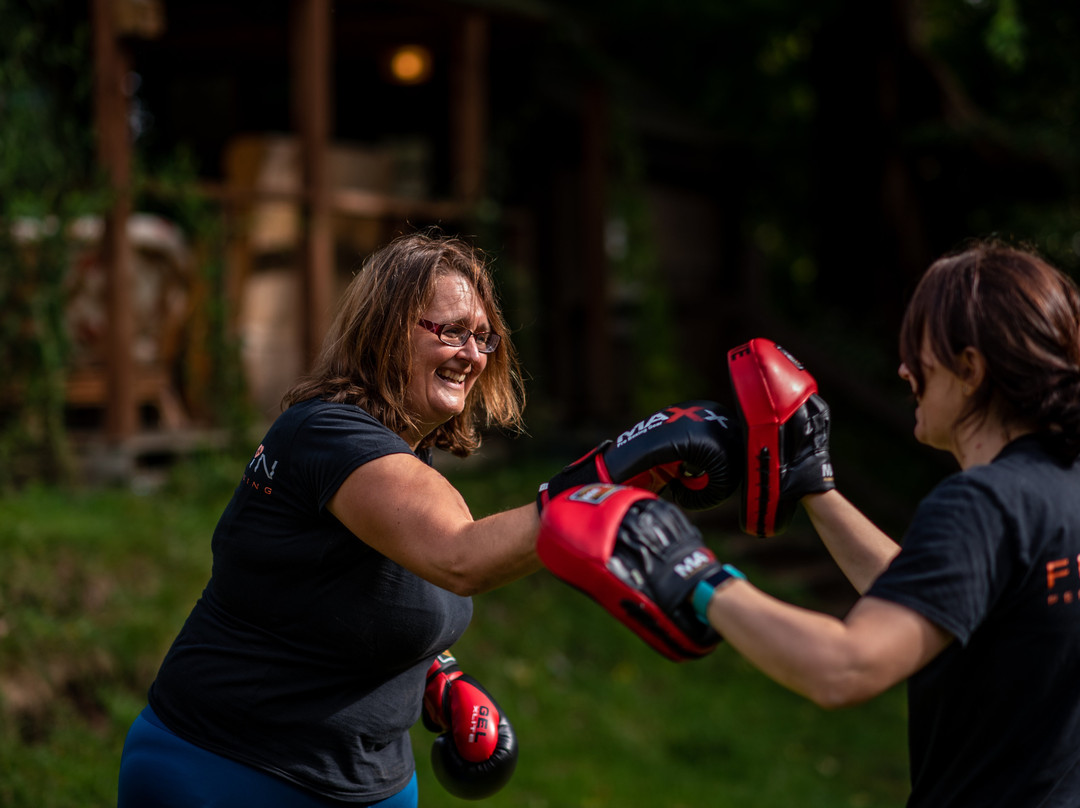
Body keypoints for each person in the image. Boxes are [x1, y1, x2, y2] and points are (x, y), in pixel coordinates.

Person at [116, 229, 742, 807]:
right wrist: (614, 468)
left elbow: (332, 594)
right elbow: (461, 556)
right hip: (227, 771)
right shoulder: (324, 433)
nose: (472, 354)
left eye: (482, 336)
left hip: (367, 784)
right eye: (450, 331)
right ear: (386, 330)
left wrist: (438, 678)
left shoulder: (404, 466)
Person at [539, 239, 1080, 806]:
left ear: (970, 368)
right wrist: (813, 487)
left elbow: (843, 669)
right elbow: (936, 592)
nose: (903, 369)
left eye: (918, 351)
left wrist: (692, 572)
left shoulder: (984, 505)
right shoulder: (1057, 494)